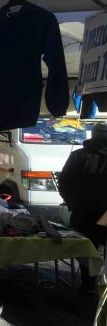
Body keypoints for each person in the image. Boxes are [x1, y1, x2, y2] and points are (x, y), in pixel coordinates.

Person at [58, 122, 107, 293]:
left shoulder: (77, 155)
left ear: (92, 136)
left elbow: (63, 183)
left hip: (83, 213)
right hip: (102, 213)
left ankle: (88, 285)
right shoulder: (78, 155)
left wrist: (72, 203)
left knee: (87, 248)